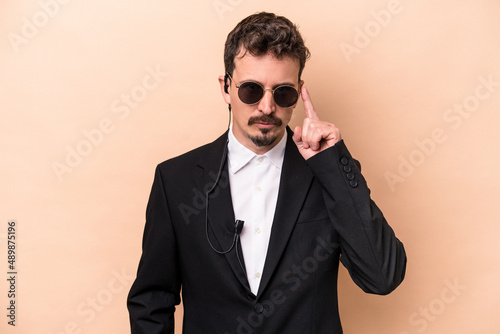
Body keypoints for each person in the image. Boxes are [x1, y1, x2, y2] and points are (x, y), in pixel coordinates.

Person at [127, 12, 406, 334]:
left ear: (299, 92)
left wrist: (333, 165)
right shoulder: (175, 179)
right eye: (251, 90)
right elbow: (152, 299)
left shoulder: (327, 174)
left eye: (283, 92)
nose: (266, 107)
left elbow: (383, 278)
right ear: (226, 88)